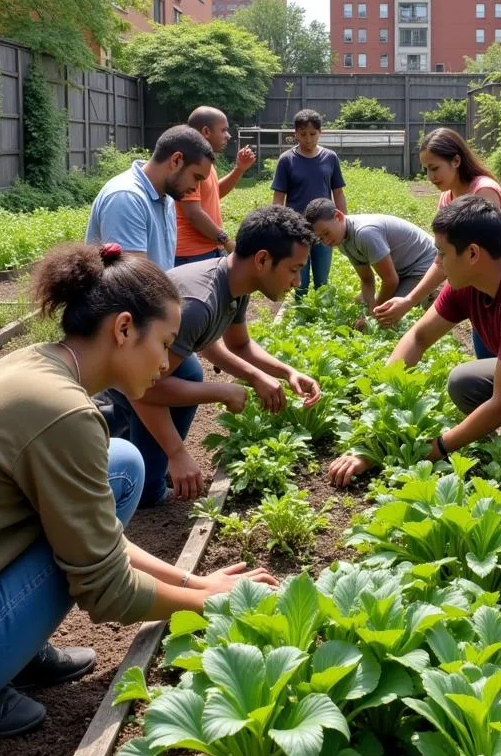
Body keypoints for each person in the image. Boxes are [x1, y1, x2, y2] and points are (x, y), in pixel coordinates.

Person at [0, 244, 276, 739]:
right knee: (101, 502)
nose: (169, 363)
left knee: (120, 465)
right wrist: (211, 603)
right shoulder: (63, 412)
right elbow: (106, 588)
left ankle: (9, 650)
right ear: (124, 328)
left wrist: (195, 581)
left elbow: (93, 534)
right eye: (167, 342)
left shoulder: (38, 364)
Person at [328, 195, 501, 488]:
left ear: (472, 253)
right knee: (465, 382)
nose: (437, 263)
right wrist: (383, 411)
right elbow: (419, 337)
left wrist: (436, 448)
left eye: (442, 253)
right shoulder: (469, 283)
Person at [109, 205, 323, 506]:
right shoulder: (199, 303)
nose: (298, 282)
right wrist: (178, 453)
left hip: (140, 373)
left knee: (190, 375)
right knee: (143, 493)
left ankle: (115, 426)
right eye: (294, 269)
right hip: (116, 371)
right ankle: (135, 456)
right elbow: (144, 390)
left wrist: (282, 373)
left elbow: (237, 345)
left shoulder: (237, 281)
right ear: (262, 259)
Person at [374, 128, 501, 358]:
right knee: (485, 355)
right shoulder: (447, 197)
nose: (430, 177)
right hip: (474, 286)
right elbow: (443, 257)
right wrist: (410, 299)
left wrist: (412, 300)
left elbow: (475, 256)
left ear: (456, 160)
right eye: (426, 170)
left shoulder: (483, 190)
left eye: (434, 168)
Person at [86, 125, 215, 271]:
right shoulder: (127, 198)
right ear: (176, 160)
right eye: (196, 177)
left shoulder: (168, 198)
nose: (196, 188)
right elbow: (133, 283)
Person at [303, 199, 437, 328]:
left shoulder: (365, 233)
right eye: (320, 238)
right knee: (360, 301)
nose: (326, 242)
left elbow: (390, 280)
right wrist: (369, 309)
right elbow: (367, 280)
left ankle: (433, 296)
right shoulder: (341, 240)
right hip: (403, 271)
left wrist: (373, 314)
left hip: (426, 263)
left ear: (338, 216)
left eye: (326, 233)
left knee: (388, 316)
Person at [271, 108, 346, 296]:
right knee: (299, 281)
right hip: (296, 229)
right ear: (295, 134)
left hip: (325, 227)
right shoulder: (287, 160)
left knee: (322, 280)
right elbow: (279, 197)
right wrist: (279, 226)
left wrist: (344, 220)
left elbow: (338, 191)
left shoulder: (330, 158)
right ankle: (301, 313)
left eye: (313, 134)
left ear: (321, 133)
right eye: (303, 134)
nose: (308, 139)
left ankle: (322, 313)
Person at [174, 106, 257, 267]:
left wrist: (239, 169)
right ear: (206, 131)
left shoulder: (204, 160)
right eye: (223, 130)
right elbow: (193, 213)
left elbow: (214, 193)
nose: (228, 135)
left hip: (207, 248)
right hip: (191, 254)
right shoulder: (190, 163)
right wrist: (225, 240)